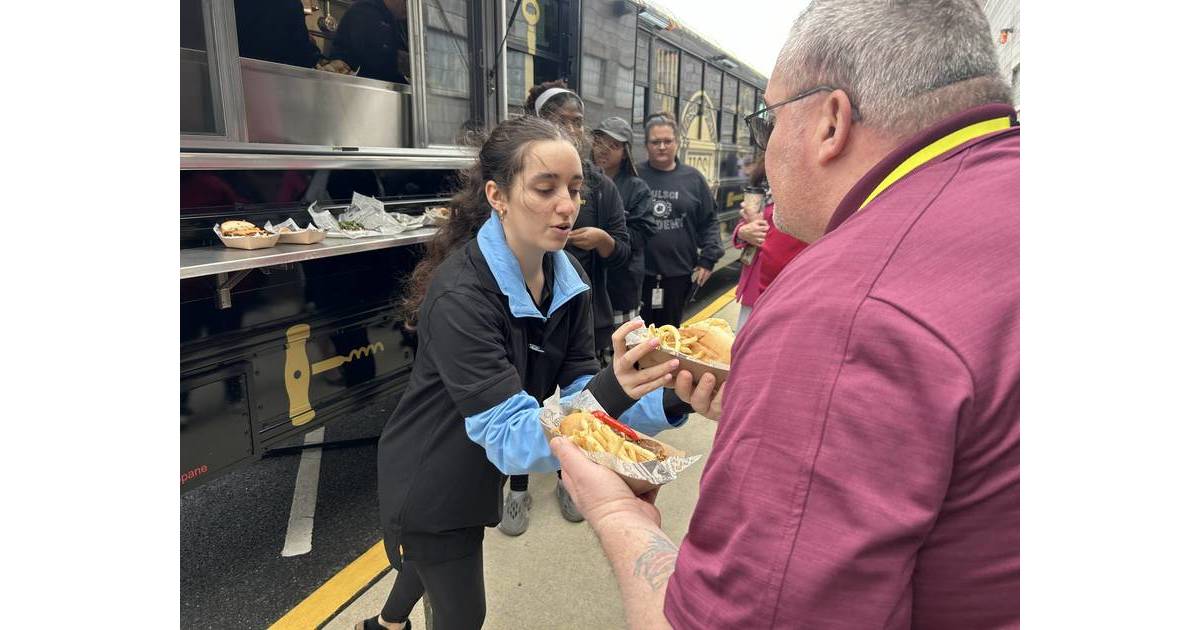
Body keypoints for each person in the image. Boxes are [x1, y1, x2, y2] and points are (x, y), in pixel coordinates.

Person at [554, 1, 1020, 628]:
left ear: (832, 123)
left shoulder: (843, 310)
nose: (765, 147)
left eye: (767, 120)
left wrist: (616, 513)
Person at [362, 116, 689, 630]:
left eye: (576, 189)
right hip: (432, 478)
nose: (568, 205)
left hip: (478, 467)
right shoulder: (461, 297)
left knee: (427, 565)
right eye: (546, 188)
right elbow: (515, 438)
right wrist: (614, 387)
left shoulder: (567, 274)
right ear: (498, 195)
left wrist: (669, 395)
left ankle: (382, 626)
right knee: (461, 610)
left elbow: (583, 386)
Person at [500, 82, 633, 535]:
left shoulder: (601, 186)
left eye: (578, 120)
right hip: (527, 308)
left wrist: (603, 241)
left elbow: (626, 249)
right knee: (525, 394)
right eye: (563, 118)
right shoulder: (517, 182)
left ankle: (569, 478)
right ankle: (517, 489)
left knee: (580, 391)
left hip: (582, 310)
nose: (574, 128)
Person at [638, 112, 723, 327]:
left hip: (678, 277)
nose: (662, 146)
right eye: (655, 142)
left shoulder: (693, 179)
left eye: (668, 141)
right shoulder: (634, 175)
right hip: (638, 277)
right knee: (636, 339)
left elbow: (709, 221)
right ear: (646, 144)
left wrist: (708, 259)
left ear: (677, 143)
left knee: (669, 337)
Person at [591, 116, 657, 340]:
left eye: (614, 145)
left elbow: (641, 235)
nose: (604, 149)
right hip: (585, 286)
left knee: (622, 358)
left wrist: (607, 236)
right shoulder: (580, 181)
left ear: (625, 151)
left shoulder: (638, 188)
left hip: (621, 287)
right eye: (599, 141)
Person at [731, 157, 808, 330]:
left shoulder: (804, 188)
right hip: (753, 278)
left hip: (779, 283)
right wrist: (743, 232)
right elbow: (744, 225)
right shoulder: (762, 181)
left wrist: (760, 234)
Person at [329, 0, 411, 83]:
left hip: (379, 85)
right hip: (356, 82)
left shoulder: (398, 21)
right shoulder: (365, 10)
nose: (408, 6)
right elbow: (375, 56)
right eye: (405, 1)